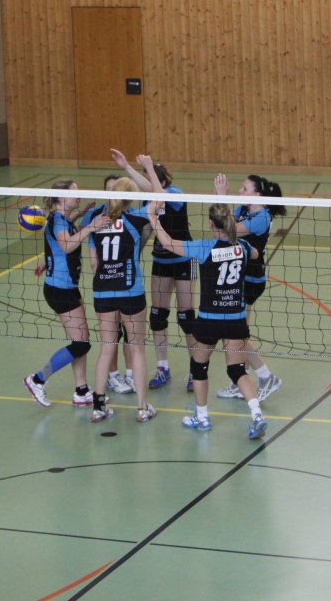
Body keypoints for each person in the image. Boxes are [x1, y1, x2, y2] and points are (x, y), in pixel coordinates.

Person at [146, 195, 269, 439]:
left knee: (199, 368)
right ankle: (257, 414)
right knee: (237, 370)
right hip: (235, 319)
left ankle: (202, 417)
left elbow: (168, 243)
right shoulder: (244, 248)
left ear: (211, 223)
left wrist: (152, 217)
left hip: (209, 320)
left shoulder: (203, 248)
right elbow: (257, 252)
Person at [23, 181, 112, 409]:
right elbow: (66, 245)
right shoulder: (57, 221)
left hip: (67, 286)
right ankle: (37, 380)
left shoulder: (61, 219)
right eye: (74, 192)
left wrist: (81, 214)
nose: (78, 195)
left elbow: (61, 237)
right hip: (60, 290)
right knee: (81, 344)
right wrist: (91, 226)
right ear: (62, 197)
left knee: (79, 341)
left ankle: (81, 391)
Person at [111, 149, 195, 390]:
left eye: (149, 178)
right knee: (158, 315)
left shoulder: (175, 193)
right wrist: (133, 255)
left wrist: (146, 167)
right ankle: (162, 368)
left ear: (161, 181)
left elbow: (160, 194)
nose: (145, 185)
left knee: (186, 317)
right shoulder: (149, 200)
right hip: (161, 260)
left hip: (183, 258)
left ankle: (195, 369)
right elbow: (146, 229)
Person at [86, 176, 155, 423]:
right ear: (131, 198)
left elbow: (94, 263)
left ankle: (98, 407)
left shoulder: (96, 222)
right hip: (130, 291)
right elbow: (159, 197)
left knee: (106, 348)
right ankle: (142, 408)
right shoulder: (136, 220)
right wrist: (144, 169)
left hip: (103, 291)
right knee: (137, 349)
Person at [214, 173, 286, 401]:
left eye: (244, 189)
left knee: (237, 334)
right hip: (238, 276)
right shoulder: (244, 210)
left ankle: (266, 377)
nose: (240, 191)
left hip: (250, 280)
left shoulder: (262, 217)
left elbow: (229, 231)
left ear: (258, 194)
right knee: (237, 333)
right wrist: (221, 205)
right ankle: (240, 381)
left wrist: (221, 198)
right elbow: (218, 227)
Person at [80, 175, 138, 396]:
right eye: (110, 189)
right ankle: (113, 376)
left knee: (126, 334)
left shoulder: (131, 213)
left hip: (120, 283)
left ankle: (131, 374)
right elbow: (91, 253)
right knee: (113, 337)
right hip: (112, 286)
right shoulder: (96, 216)